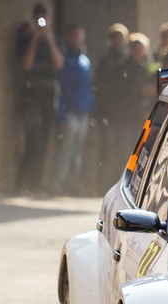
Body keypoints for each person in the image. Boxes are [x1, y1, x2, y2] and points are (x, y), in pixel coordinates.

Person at [16, 3, 64, 194]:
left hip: (49, 99)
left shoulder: (55, 41)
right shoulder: (25, 40)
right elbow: (26, 65)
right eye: (38, 19)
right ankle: (21, 183)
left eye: (45, 19)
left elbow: (59, 64)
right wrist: (35, 39)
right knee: (32, 141)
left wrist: (49, 39)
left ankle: (36, 185)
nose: (42, 23)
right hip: (30, 99)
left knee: (44, 143)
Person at [51, 25, 94, 195]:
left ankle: (74, 185)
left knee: (77, 152)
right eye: (74, 36)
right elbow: (61, 88)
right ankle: (56, 183)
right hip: (69, 111)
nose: (77, 39)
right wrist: (61, 113)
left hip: (83, 112)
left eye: (80, 36)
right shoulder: (64, 59)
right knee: (65, 149)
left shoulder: (85, 60)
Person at [94, 23, 131, 189]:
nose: (119, 41)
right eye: (116, 38)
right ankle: (103, 185)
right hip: (108, 112)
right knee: (106, 151)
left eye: (121, 38)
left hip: (124, 114)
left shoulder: (128, 61)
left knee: (123, 152)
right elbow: (100, 87)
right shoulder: (105, 61)